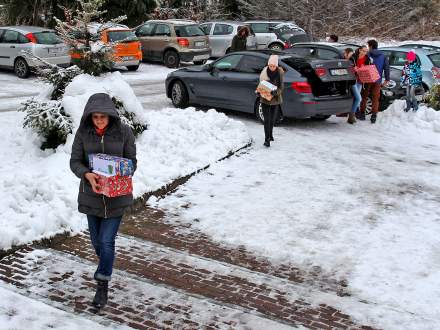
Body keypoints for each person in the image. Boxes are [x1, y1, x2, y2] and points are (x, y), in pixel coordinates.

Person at [70, 93, 137, 309]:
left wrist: (120, 172)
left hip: (116, 197)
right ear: (90, 116)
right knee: (98, 244)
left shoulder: (124, 132)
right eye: (95, 117)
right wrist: (87, 174)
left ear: (110, 116)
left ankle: (102, 283)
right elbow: (74, 161)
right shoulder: (83, 133)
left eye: (103, 116)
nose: (99, 120)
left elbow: (132, 162)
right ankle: (105, 265)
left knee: (107, 242)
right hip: (92, 196)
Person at [359, 39, 390, 124]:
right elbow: (386, 68)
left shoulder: (367, 54)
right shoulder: (383, 56)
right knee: (375, 98)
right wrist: (387, 79)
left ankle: (362, 114)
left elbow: (362, 65)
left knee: (364, 96)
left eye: (368, 46)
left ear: (371, 46)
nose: (368, 47)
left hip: (367, 79)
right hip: (377, 79)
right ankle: (374, 116)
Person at [258, 54, 284, 147]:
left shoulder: (280, 72)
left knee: (272, 119)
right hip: (265, 98)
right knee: (267, 120)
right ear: (268, 64)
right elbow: (261, 84)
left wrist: (275, 92)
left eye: (273, 66)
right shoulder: (264, 71)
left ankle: (271, 134)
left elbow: (281, 87)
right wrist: (259, 91)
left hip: (275, 99)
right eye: (270, 65)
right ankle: (267, 139)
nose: (272, 67)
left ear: (276, 66)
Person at [347, 45, 371, 124]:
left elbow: (369, 69)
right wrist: (354, 68)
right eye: (363, 51)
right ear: (360, 50)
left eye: (366, 51)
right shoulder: (353, 57)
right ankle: (351, 116)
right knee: (358, 98)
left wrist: (366, 69)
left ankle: (351, 115)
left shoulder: (367, 59)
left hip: (361, 81)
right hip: (353, 80)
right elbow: (348, 67)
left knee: (355, 98)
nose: (365, 53)